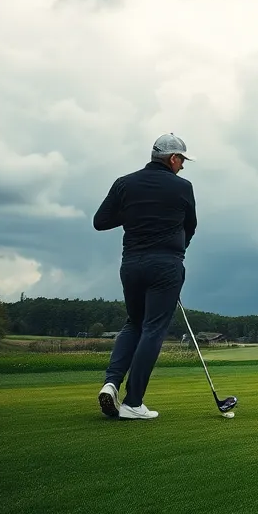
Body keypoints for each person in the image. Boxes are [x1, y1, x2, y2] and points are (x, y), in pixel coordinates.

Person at [92, 133, 197, 420]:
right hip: (166, 264)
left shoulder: (124, 183)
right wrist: (176, 253)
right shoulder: (183, 187)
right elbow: (191, 227)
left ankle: (111, 383)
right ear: (172, 159)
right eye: (182, 161)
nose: (183, 167)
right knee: (153, 329)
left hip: (131, 265)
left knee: (134, 323)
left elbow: (100, 221)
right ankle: (133, 402)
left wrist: (133, 213)